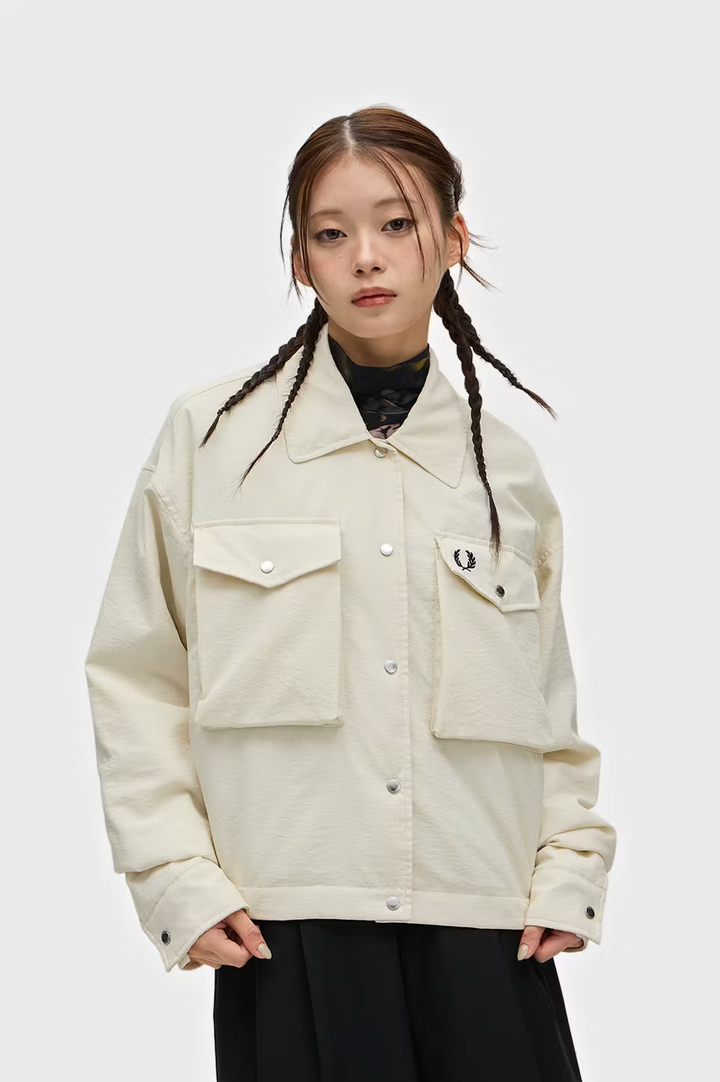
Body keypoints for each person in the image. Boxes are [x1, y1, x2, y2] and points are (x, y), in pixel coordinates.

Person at [84, 104, 617, 1082]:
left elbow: (548, 704)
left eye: (397, 223)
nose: (366, 256)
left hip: (486, 917)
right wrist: (175, 876)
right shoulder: (211, 439)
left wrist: (570, 866)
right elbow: (137, 673)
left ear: (452, 239)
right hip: (288, 926)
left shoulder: (504, 469)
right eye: (331, 234)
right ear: (301, 259)